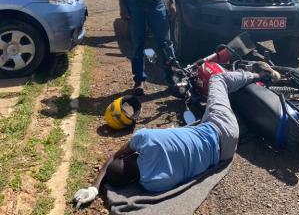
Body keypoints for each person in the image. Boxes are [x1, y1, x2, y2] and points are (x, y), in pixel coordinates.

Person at [73, 65, 281, 208]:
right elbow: (113, 157)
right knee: (219, 80)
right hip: (221, 128)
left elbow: (115, 166)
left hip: (224, 154)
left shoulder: (153, 185)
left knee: (205, 118)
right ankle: (258, 74)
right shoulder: (146, 138)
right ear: (129, 157)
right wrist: (94, 184)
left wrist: (95, 188)